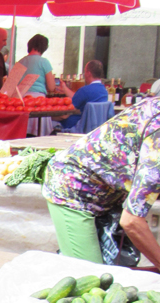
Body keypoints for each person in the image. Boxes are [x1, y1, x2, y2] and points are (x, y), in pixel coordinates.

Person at [43, 97, 160, 266]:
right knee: (92, 279)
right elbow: (131, 221)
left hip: (111, 191)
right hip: (73, 186)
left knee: (120, 270)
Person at [56, 60, 109, 131]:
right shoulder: (104, 91)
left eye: (85, 72)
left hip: (74, 127)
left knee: (50, 124)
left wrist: (48, 118)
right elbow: (79, 97)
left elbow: (64, 116)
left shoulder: (84, 91)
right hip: (94, 129)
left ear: (88, 73)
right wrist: (65, 89)